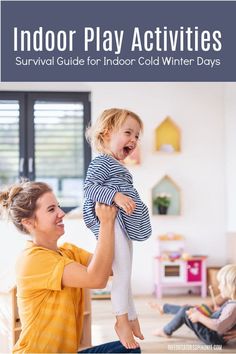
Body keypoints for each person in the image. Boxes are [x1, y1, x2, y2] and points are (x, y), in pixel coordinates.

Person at [0, 180, 141, 354]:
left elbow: (112, 268)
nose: (61, 213)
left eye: (58, 206)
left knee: (129, 350)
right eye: (51, 209)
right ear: (29, 222)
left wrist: (117, 220)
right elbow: (97, 279)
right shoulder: (32, 260)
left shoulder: (68, 251)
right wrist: (106, 223)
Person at [83, 108, 152, 348]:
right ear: (106, 134)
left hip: (120, 222)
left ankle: (131, 317)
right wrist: (116, 196)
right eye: (128, 133)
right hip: (110, 222)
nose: (133, 140)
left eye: (137, 136)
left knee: (125, 273)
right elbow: (89, 189)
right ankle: (121, 321)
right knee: (121, 274)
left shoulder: (115, 164)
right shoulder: (101, 162)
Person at [150, 264, 236, 346]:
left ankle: (165, 331)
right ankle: (164, 308)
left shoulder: (233, 307)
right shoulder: (232, 303)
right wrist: (219, 312)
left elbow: (218, 325)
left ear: (231, 287)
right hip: (216, 334)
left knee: (185, 310)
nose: (219, 287)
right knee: (193, 308)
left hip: (212, 337)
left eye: (221, 284)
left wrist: (199, 317)